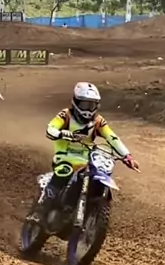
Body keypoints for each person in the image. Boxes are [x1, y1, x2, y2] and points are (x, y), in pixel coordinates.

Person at [28, 81, 139, 223]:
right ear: (76, 102)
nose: (88, 109)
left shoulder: (98, 121)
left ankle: (87, 209)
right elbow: (51, 128)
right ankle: (41, 209)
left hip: (86, 158)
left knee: (96, 175)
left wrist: (127, 156)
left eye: (91, 105)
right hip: (65, 156)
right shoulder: (66, 115)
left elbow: (112, 137)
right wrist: (61, 133)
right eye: (84, 104)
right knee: (64, 172)